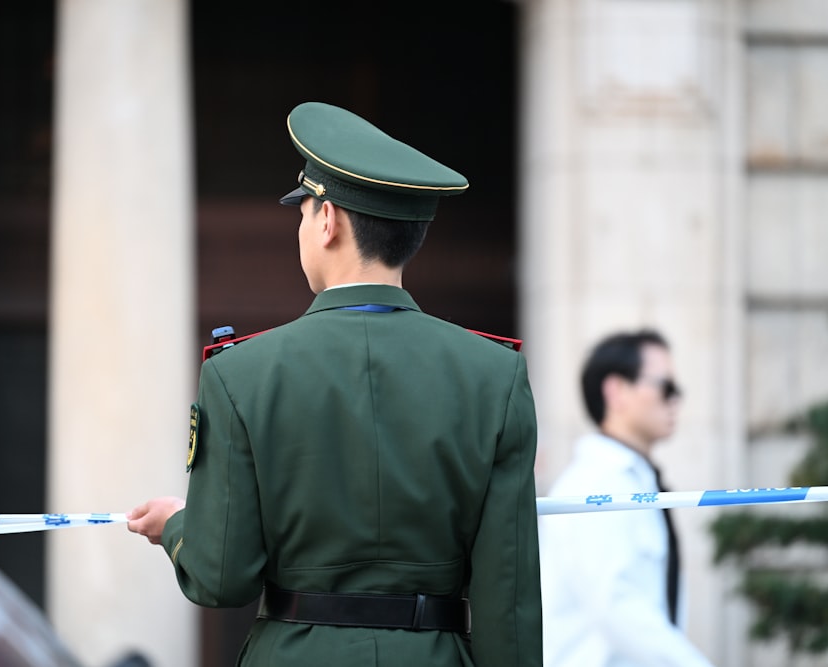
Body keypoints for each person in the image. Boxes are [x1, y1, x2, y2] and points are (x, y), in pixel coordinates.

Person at [127, 102, 542, 666]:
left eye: (303, 212)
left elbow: (220, 578)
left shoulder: (238, 373)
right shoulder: (495, 375)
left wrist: (178, 525)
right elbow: (508, 601)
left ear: (328, 221)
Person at [539, 329, 715, 667]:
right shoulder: (594, 485)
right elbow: (617, 605)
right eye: (666, 387)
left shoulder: (633, 480)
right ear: (616, 390)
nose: (676, 399)